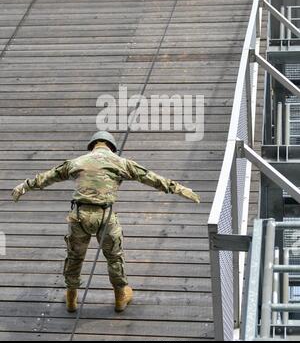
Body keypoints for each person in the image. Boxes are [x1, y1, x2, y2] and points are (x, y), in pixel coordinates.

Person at [11, 131, 200, 313]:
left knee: (75, 256)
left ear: (92, 146)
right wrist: (180, 189)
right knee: (114, 257)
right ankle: (120, 297)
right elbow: (150, 177)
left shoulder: (75, 162)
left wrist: (23, 186)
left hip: (79, 215)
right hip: (106, 216)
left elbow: (47, 177)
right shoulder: (121, 163)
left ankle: (71, 297)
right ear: (111, 147)